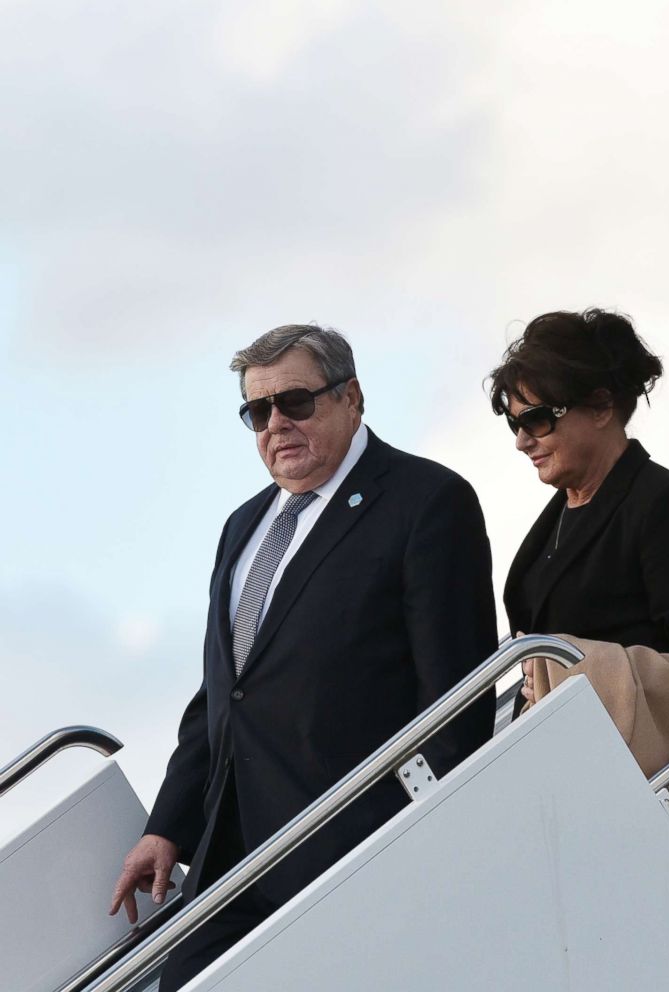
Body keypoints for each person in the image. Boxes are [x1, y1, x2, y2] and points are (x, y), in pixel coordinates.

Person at [110, 324, 498, 991]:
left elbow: (456, 696)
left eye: (295, 402)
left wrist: (425, 837)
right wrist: (168, 827)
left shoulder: (425, 502)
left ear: (351, 398)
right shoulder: (244, 526)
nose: (275, 424)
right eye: (256, 411)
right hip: (232, 860)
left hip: (351, 848)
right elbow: (222, 698)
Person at [489, 308, 669, 803]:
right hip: (567, 786)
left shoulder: (664, 505)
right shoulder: (555, 519)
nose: (522, 441)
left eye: (537, 419)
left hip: (644, 795)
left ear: (601, 406)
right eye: (512, 422)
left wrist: (573, 677)